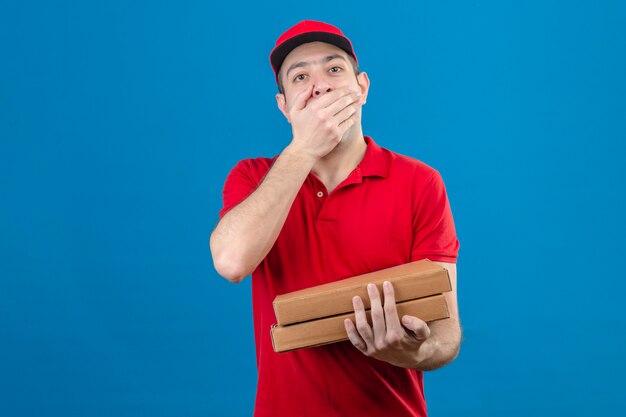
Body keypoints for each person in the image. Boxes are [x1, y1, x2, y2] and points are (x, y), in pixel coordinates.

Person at [210, 19, 461, 417]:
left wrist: (412, 351)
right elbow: (231, 261)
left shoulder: (421, 183)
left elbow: (447, 336)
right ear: (284, 107)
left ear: (362, 87)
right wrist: (304, 149)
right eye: (299, 77)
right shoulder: (253, 178)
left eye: (333, 69)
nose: (320, 85)